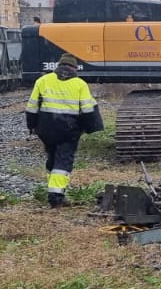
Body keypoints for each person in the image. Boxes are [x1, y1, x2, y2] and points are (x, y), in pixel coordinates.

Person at [24, 53, 104, 208]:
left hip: (46, 128)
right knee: (63, 162)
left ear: (58, 66)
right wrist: (91, 128)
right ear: (74, 68)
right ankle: (56, 196)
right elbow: (88, 109)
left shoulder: (43, 80)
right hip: (69, 129)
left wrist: (32, 126)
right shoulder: (79, 84)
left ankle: (53, 189)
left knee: (52, 158)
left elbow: (32, 106)